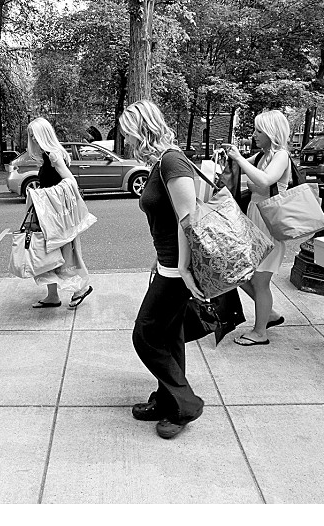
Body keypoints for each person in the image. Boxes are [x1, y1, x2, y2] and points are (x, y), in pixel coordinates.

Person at [119, 100, 204, 440]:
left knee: (147, 334)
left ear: (144, 130)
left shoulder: (172, 161)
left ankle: (185, 404)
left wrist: (181, 267)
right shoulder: (160, 162)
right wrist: (161, 258)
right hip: (168, 262)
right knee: (170, 336)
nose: (127, 141)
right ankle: (167, 401)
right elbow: (168, 218)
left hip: (177, 269)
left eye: (129, 134)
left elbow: (189, 218)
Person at [221, 110, 291, 347]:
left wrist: (239, 158)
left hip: (269, 226)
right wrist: (229, 157)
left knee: (260, 281)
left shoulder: (281, 156)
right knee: (240, 273)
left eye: (258, 130)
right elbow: (237, 167)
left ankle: (260, 332)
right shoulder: (263, 156)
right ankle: (268, 314)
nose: (254, 135)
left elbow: (264, 181)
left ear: (272, 132)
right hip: (254, 223)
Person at [25, 117, 93, 308]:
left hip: (56, 216)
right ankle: (53, 295)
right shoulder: (48, 155)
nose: (34, 140)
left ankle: (81, 287)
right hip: (51, 215)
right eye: (31, 136)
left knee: (64, 254)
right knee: (49, 253)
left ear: (44, 134)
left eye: (35, 136)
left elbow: (70, 182)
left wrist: (42, 194)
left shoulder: (54, 155)